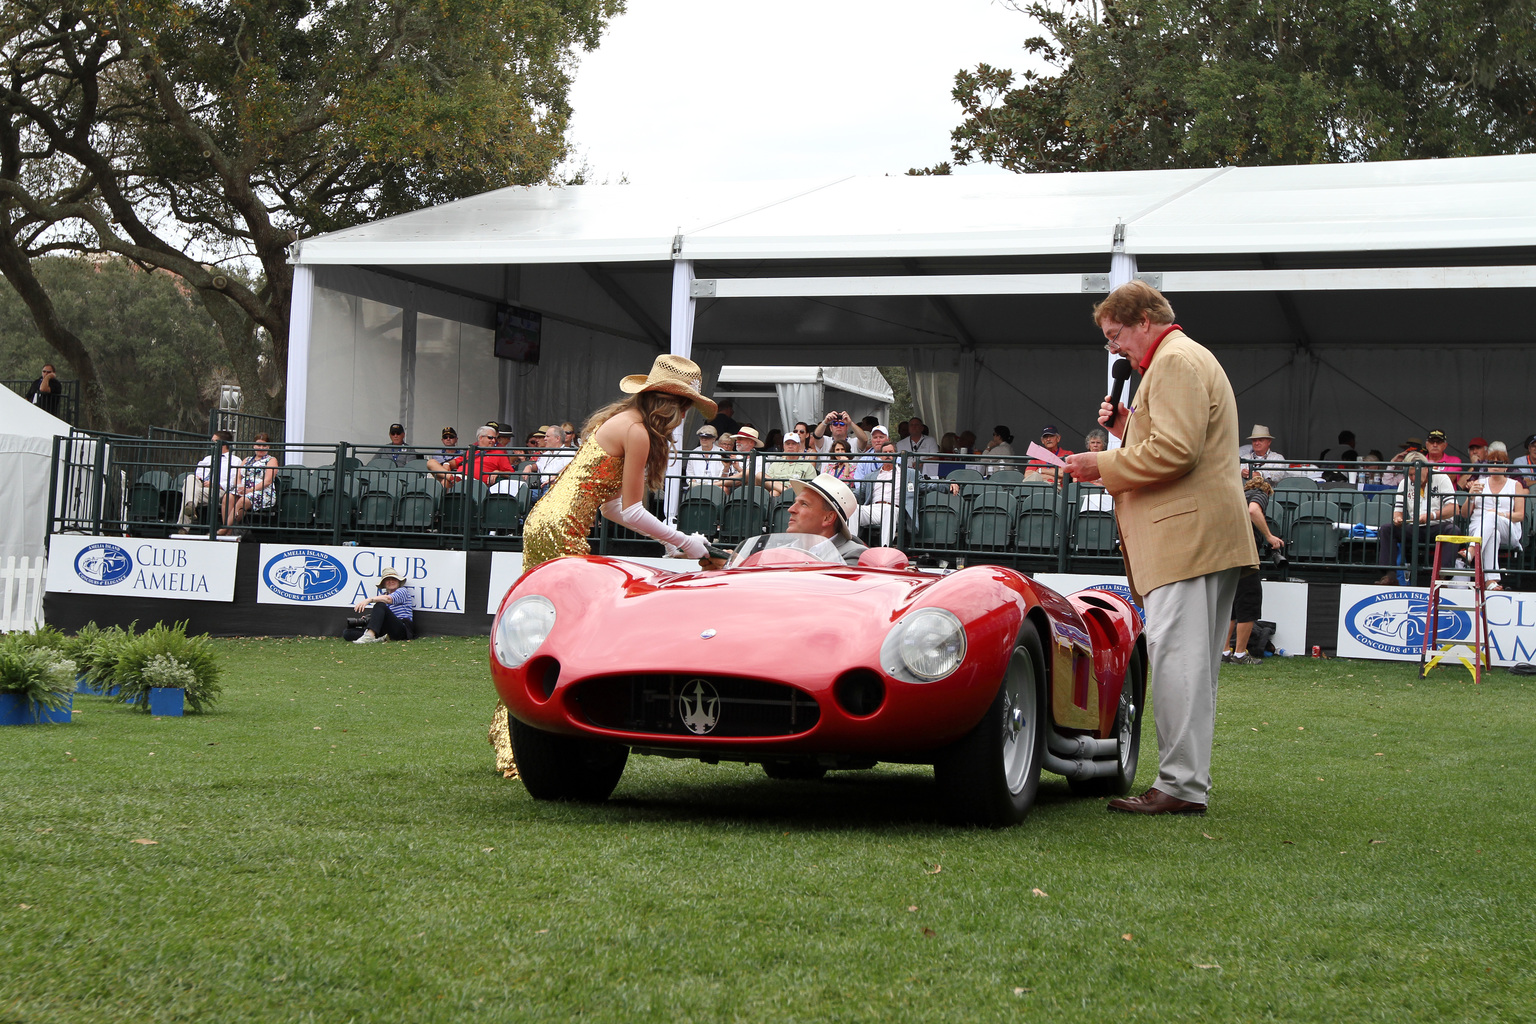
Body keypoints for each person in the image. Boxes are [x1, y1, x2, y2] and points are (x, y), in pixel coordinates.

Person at [1063, 280, 1257, 817]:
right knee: (1191, 666)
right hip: (1199, 537)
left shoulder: (1173, 362)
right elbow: (1175, 442)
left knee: (1179, 664)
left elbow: (1175, 452)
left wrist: (1099, 464)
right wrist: (1128, 428)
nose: (1113, 348)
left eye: (1115, 334)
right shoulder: (1181, 359)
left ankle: (1178, 786)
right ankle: (1184, 782)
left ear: (1144, 319)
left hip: (1186, 538)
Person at [493, 356, 715, 778]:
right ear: (673, 406)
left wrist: (669, 540)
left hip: (548, 524)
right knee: (547, 638)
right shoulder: (636, 431)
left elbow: (612, 506)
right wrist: (682, 540)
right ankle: (518, 748)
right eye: (685, 409)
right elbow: (630, 510)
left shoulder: (623, 423)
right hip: (558, 529)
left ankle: (516, 742)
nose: (683, 419)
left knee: (541, 634)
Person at [1224, 470, 1284, 666]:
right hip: (1244, 556)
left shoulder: (1237, 496)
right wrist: (1268, 536)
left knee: (1231, 607)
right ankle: (1240, 654)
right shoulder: (1260, 493)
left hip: (1227, 555)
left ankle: (1224, 651)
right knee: (1249, 604)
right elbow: (1253, 511)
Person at [1375, 450, 1457, 585]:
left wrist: (1431, 515)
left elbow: (1453, 508)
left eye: (1414, 474)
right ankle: (1390, 575)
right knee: (1387, 529)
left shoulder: (1441, 478)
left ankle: (1443, 577)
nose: (1412, 478)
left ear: (1425, 468)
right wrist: (1398, 519)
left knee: (1453, 530)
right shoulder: (1404, 483)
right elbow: (1398, 510)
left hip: (1438, 526)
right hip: (1415, 526)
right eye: (1410, 474)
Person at [1461, 442, 1525, 590]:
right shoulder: (1478, 483)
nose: (1495, 465)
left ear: (1506, 466)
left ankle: (1471, 551)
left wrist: (1499, 514)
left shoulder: (1515, 485)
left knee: (1490, 516)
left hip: (1508, 528)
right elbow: (1464, 514)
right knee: (1492, 534)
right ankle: (1491, 581)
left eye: (1499, 462)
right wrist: (1470, 496)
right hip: (1479, 530)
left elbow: (1520, 515)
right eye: (1491, 462)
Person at [178, 431, 240, 529]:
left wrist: (215, 484)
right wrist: (201, 480)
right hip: (201, 486)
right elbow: (198, 472)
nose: (211, 445)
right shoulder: (208, 458)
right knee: (190, 478)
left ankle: (184, 526)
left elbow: (234, 482)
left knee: (189, 493)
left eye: (214, 442)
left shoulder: (235, 460)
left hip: (218, 490)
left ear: (223, 444)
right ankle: (191, 505)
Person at [220, 433, 278, 535]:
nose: (261, 448)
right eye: (258, 445)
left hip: (262, 491)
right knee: (228, 497)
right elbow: (239, 475)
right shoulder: (246, 460)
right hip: (243, 489)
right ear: (254, 445)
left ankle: (225, 530)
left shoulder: (271, 460)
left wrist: (250, 490)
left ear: (268, 446)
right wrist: (239, 487)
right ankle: (229, 530)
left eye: (264, 445)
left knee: (243, 500)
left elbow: (268, 481)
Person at [426, 425, 514, 487]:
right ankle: (451, 479)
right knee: (431, 463)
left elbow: (511, 473)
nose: (493, 440)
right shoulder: (471, 450)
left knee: (444, 480)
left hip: (476, 485)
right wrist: (447, 464)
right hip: (459, 479)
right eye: (490, 438)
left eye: (495, 438)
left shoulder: (499, 453)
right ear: (480, 438)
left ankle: (451, 479)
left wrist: (498, 472)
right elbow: (456, 462)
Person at [346, 567, 415, 643]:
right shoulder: (382, 595)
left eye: (394, 579)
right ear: (384, 583)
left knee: (380, 605)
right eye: (387, 580)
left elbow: (389, 599)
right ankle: (377, 638)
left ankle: (369, 637)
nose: (391, 581)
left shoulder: (402, 591)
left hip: (401, 629)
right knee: (347, 632)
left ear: (398, 582)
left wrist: (369, 600)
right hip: (386, 630)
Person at [764, 428, 816, 494]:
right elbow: (767, 483)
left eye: (793, 444)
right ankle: (786, 492)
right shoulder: (775, 464)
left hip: (798, 496)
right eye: (788, 444)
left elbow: (812, 487)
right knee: (773, 492)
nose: (790, 446)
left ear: (799, 446)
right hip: (778, 495)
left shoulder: (807, 465)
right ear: (784, 446)